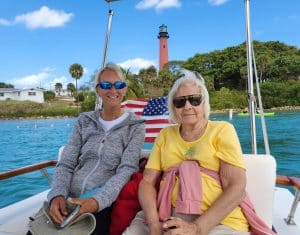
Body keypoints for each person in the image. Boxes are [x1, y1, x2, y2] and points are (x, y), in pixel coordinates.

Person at [123, 69, 276, 235]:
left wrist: (196, 228)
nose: (188, 106)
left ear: (204, 103)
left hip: (219, 220)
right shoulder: (165, 135)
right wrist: (153, 223)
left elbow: (236, 187)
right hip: (166, 216)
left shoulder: (222, 130)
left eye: (194, 100)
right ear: (173, 108)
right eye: (180, 102)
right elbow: (147, 182)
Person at [42, 62, 145, 235]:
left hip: (103, 203)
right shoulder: (84, 121)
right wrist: (57, 195)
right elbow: (66, 163)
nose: (113, 90)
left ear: (125, 89)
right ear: (98, 90)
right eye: (106, 85)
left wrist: (96, 202)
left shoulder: (135, 126)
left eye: (118, 85)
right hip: (68, 199)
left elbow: (126, 170)